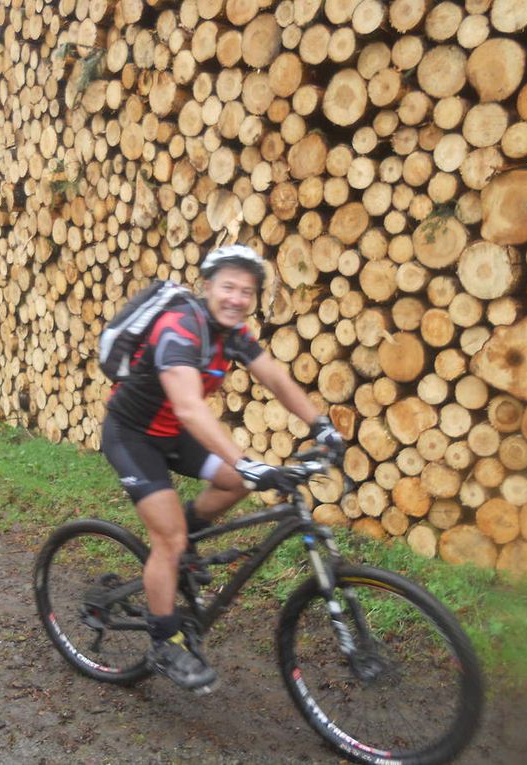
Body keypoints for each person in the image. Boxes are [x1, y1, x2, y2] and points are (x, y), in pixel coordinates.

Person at [101, 244, 345, 691]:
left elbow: (275, 377)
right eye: (228, 287)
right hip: (133, 435)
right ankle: (165, 641)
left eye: (246, 292)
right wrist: (247, 461)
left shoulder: (233, 334)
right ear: (207, 287)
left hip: (173, 432)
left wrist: (321, 424)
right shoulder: (180, 327)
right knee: (168, 537)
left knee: (233, 484)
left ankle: (187, 545)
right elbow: (191, 409)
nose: (236, 298)